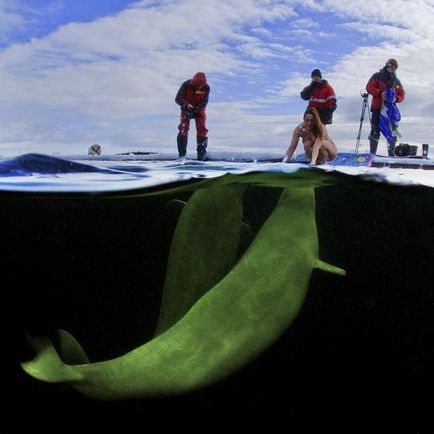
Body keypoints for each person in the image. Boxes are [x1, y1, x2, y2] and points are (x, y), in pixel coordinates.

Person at [366, 58, 405, 156]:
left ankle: (391, 155)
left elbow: (402, 94)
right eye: (391, 66)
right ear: (386, 66)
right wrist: (380, 93)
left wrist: (396, 98)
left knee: (392, 132)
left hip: (390, 111)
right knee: (375, 131)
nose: (392, 68)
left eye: (395, 67)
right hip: (377, 108)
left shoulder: (396, 81)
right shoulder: (377, 76)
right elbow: (369, 87)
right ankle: (372, 155)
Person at [175, 72, 210, 161]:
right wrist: (187, 105)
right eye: (198, 85)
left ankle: (201, 154)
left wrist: (197, 109)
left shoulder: (206, 88)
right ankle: (182, 155)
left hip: (199, 110)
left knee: (202, 129)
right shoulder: (186, 85)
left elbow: (204, 102)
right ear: (194, 82)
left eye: (201, 85)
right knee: (183, 128)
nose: (199, 87)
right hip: (186, 109)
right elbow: (177, 98)